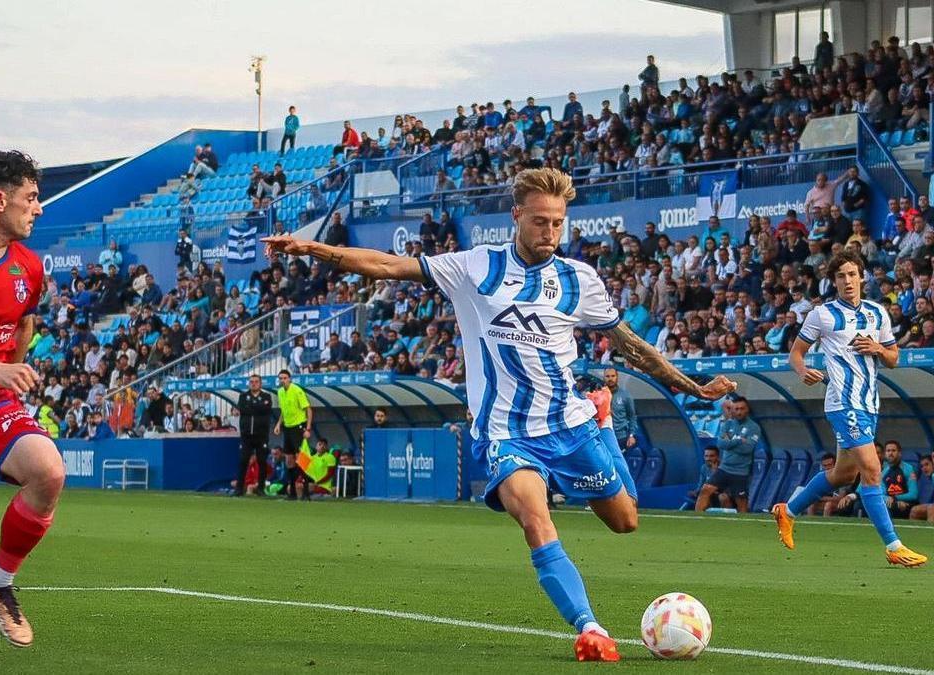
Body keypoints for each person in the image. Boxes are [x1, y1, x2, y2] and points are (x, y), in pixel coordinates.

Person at [262, 167, 736, 661]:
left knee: (626, 522)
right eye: (539, 221)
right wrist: (313, 248)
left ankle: (604, 424)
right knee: (536, 518)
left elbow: (633, 348)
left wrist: (695, 387)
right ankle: (590, 628)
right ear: (516, 216)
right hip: (507, 433)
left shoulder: (580, 280)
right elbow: (387, 265)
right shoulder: (474, 267)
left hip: (571, 426)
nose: (549, 232)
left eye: (557, 222)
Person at [772, 250, 928, 567]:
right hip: (842, 402)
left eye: (852, 274)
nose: (847, 280)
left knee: (844, 472)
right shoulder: (822, 315)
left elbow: (894, 358)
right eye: (841, 275)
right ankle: (894, 546)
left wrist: (877, 349)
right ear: (834, 281)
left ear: (862, 277)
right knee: (871, 469)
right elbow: (796, 354)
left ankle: (787, 511)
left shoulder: (878, 314)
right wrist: (803, 373)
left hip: (869, 404)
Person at [0, 150, 66, 648]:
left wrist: (8, 375)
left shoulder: (28, 267)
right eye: (32, 198)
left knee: (48, 471)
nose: (40, 208)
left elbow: (23, 324)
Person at [694, 397, 761, 513]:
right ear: (732, 410)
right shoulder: (727, 425)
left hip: (741, 471)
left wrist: (730, 443)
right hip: (724, 468)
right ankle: (697, 518)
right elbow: (720, 444)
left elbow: (748, 449)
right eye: (736, 409)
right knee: (705, 490)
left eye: (742, 408)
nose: (739, 411)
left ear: (747, 410)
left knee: (741, 501)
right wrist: (739, 440)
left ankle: (742, 526)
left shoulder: (754, 427)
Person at [272, 369, 313, 500]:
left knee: (301, 459)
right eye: (280, 378)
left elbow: (308, 409)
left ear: (289, 379)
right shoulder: (279, 392)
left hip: (299, 427)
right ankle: (293, 493)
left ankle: (306, 492)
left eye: (285, 378)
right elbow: (284, 411)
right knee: (289, 460)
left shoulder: (297, 390)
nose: (282, 380)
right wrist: (278, 424)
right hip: (288, 428)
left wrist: (308, 428)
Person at [234, 374, 273, 497]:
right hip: (246, 435)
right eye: (251, 382)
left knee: (262, 462)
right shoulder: (243, 396)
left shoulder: (267, 396)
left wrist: (252, 407)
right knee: (243, 461)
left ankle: (260, 489)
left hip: (261, 435)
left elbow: (265, 409)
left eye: (256, 381)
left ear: (260, 384)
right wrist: (256, 407)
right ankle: (239, 489)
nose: (254, 383)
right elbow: (243, 409)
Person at [880, 439, 918, 518]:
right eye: (888, 451)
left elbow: (914, 494)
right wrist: (888, 498)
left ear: (900, 453)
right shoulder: (884, 472)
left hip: (908, 503)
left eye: (894, 450)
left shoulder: (908, 469)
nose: (890, 453)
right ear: (885, 454)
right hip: (891, 502)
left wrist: (895, 498)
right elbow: (881, 494)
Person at [602, 367, 637, 450]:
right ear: (603, 378)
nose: (610, 379)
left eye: (613, 376)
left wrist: (631, 435)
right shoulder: (598, 395)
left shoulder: (625, 395)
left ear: (617, 377)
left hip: (621, 437)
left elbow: (632, 416)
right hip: (604, 436)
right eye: (607, 376)